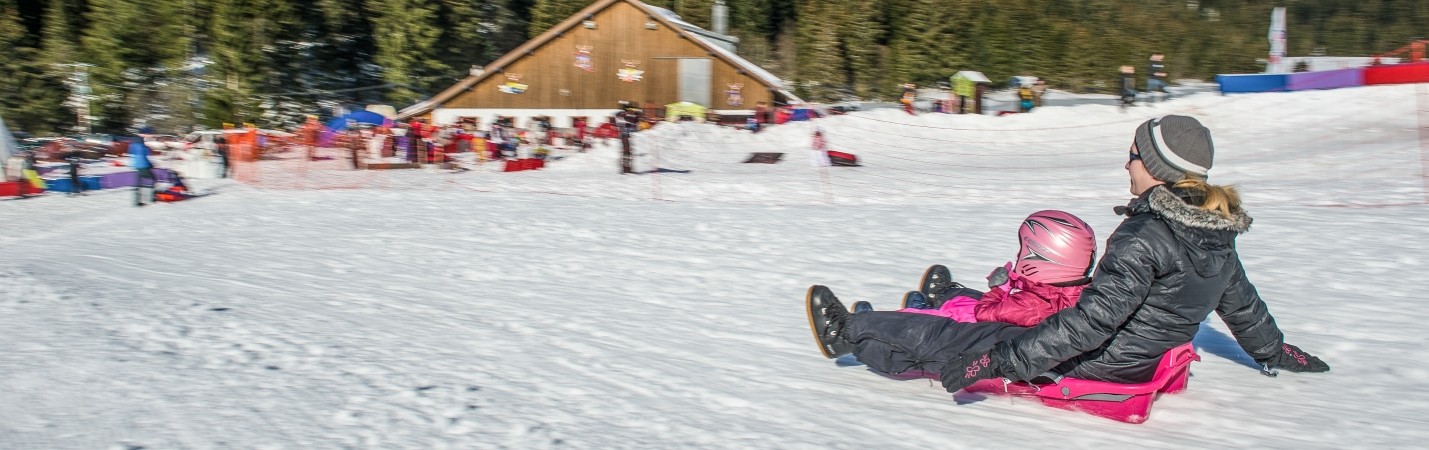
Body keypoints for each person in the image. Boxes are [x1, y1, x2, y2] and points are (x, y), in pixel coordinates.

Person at [806, 115, 1330, 396]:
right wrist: (1274, 350)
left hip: (1102, 363)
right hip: (1130, 353)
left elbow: (1087, 329)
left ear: (1154, 166)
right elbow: (1242, 305)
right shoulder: (1213, 230)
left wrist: (998, 360)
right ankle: (943, 303)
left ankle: (851, 334)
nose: (1126, 165)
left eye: (1132, 156)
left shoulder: (1146, 234)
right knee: (1042, 299)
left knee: (956, 339)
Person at [888, 210, 1097, 327]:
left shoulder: (1030, 307)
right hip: (1003, 315)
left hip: (971, 326)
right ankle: (942, 295)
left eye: (1024, 251)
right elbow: (1040, 291)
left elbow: (984, 312)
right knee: (967, 299)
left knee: (951, 313)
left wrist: (1000, 288)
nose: (1018, 256)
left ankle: (915, 311)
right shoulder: (1074, 295)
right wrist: (1013, 281)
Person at [615, 100, 642, 174]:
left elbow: (635, 120)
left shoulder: (620, 114)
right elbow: (635, 120)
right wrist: (636, 112)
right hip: (624, 135)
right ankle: (625, 169)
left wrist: (635, 113)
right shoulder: (623, 115)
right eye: (629, 108)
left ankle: (627, 168)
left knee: (627, 151)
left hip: (625, 135)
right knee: (626, 151)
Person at [130, 137, 156, 206]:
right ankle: (151, 198)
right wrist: (151, 164)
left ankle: (136, 201)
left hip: (136, 166)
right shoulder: (144, 148)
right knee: (153, 180)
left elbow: (133, 157)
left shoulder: (132, 147)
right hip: (144, 166)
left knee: (139, 183)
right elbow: (145, 158)